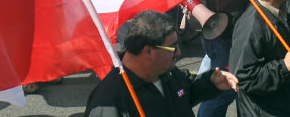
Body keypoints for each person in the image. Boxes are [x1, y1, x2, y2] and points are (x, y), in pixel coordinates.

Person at [85, 11, 239, 117]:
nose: (178, 53)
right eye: (173, 47)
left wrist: (211, 83)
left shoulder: (166, 72)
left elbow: (184, 92)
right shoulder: (108, 103)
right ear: (148, 52)